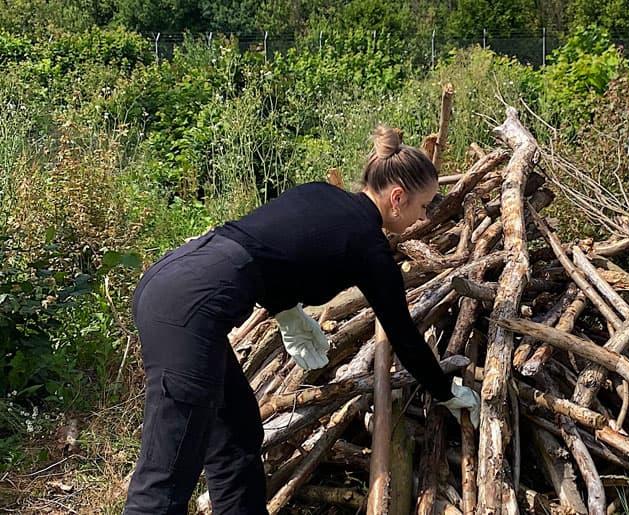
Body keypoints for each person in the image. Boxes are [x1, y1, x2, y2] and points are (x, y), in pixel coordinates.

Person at [124, 126, 480, 514]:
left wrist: (286, 312)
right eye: (423, 206)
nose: (423, 217)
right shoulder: (369, 248)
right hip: (190, 308)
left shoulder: (320, 193)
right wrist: (444, 390)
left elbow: (268, 249)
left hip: (172, 278)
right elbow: (404, 335)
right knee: (167, 478)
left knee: (236, 434)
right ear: (398, 198)